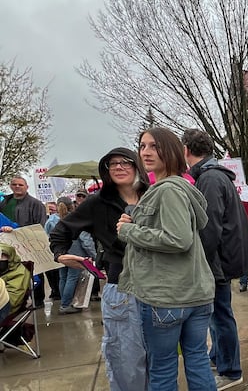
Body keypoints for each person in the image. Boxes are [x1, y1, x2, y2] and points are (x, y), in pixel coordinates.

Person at [117, 127, 215, 390]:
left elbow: (178, 239)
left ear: (171, 150)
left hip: (167, 297)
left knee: (162, 368)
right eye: (142, 146)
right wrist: (137, 219)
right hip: (194, 294)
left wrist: (130, 231)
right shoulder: (178, 188)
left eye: (154, 146)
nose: (146, 151)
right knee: (197, 359)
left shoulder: (168, 190)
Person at [50, 147, 149, 391]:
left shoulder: (153, 195)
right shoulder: (97, 203)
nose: (118, 167)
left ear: (137, 166)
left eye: (125, 162)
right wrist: (61, 255)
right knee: (126, 360)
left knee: (158, 357)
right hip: (122, 289)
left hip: (158, 286)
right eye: (112, 164)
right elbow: (61, 231)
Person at [182, 128, 248, 391]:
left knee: (221, 315)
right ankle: (219, 359)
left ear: (185, 150)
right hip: (221, 259)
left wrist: (199, 261)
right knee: (217, 315)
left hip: (217, 261)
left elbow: (209, 226)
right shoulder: (212, 175)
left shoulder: (210, 178)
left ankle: (230, 370)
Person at [0, 177, 54, 305]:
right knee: (13, 272)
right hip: (7, 245)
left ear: (26, 187)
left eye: (20, 184)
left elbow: (41, 224)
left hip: (28, 242)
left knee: (34, 270)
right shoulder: (4, 203)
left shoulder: (35, 203)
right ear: (10, 186)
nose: (17, 186)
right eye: (14, 184)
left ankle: (38, 299)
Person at [45, 196, 96, 314]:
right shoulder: (75, 219)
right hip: (75, 254)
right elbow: (85, 239)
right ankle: (66, 304)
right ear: (71, 206)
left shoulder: (51, 220)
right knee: (72, 278)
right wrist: (94, 255)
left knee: (63, 278)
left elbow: (48, 237)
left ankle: (64, 302)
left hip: (60, 254)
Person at [0, 243, 31, 317]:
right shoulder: (3, 271)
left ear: (10, 257)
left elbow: (12, 300)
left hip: (5, 307)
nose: (0, 258)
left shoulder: (20, 272)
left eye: (3, 256)